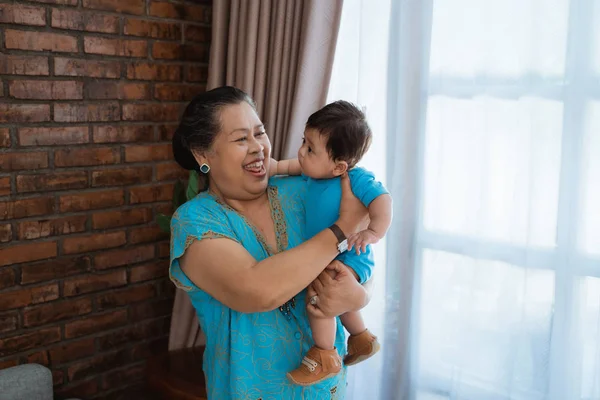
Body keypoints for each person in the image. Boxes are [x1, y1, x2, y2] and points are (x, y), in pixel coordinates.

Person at [169, 86, 371, 399]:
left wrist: (356, 294)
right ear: (202, 154)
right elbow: (256, 291)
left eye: (259, 133)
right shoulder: (195, 221)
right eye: (240, 139)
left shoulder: (303, 190)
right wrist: (341, 228)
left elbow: (359, 251)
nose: (258, 148)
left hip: (324, 390)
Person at [271, 101, 392, 386]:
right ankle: (362, 338)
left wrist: (373, 231)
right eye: (304, 141)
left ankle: (325, 355)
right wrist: (274, 167)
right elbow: (291, 165)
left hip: (351, 254)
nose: (302, 151)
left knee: (321, 300)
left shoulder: (355, 179)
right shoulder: (315, 171)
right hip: (332, 253)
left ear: (339, 166)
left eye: (310, 148)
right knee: (337, 297)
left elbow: (383, 200)